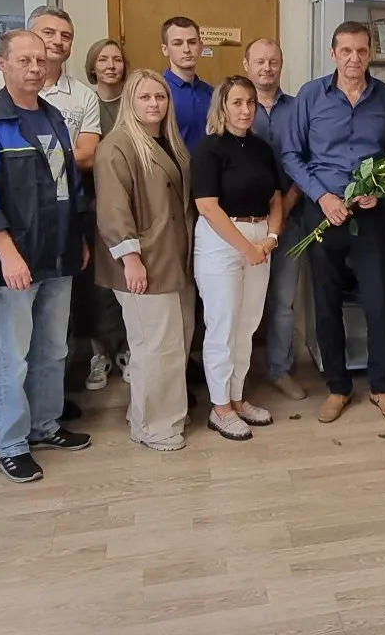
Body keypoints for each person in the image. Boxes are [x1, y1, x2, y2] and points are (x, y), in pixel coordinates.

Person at [0, 30, 94, 484]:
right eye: (25, 60)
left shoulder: (53, 116)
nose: (36, 68)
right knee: (12, 355)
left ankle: (45, 425)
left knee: (53, 348)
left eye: (40, 60)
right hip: (16, 257)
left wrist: (78, 237)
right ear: (1, 64)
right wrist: (6, 252)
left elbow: (71, 186)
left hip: (60, 250)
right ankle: (12, 444)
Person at [281, 21, 385, 423]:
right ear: (333, 54)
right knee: (326, 304)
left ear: (371, 54)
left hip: (369, 217)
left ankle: (382, 388)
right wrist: (323, 196)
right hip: (323, 213)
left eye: (362, 51)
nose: (354, 58)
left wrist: (382, 189)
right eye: (346, 51)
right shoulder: (310, 96)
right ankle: (338, 388)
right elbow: (291, 155)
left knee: (379, 303)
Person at [94, 70, 197, 451]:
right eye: (145, 97)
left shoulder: (169, 141)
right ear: (130, 102)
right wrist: (131, 259)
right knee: (154, 347)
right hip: (143, 262)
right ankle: (152, 426)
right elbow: (113, 209)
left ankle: (158, 412)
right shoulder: (117, 145)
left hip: (174, 258)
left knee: (175, 341)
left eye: (160, 97)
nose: (154, 104)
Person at [192, 75, 290, 440]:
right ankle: (219, 407)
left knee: (248, 324)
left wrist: (271, 238)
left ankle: (236, 397)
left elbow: (276, 199)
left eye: (250, 102)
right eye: (237, 102)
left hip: (260, 237)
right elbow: (207, 206)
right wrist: (246, 248)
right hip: (221, 241)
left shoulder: (262, 149)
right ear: (222, 106)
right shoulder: (209, 149)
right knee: (223, 326)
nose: (246, 109)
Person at [243, 37, 308, 401]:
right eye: (260, 61)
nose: (267, 68)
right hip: (243, 225)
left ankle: (279, 370)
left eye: (273, 61)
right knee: (239, 304)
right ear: (246, 64)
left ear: (281, 65)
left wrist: (284, 212)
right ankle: (235, 377)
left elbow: (309, 162)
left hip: (291, 221)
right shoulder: (234, 106)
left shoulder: (299, 108)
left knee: (283, 303)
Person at [0, 7, 101, 169]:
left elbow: (87, 156)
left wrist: (36, 164)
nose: (58, 41)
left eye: (66, 36)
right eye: (49, 33)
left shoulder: (83, 96)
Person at [74, 38, 130, 391]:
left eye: (117, 59)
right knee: (95, 286)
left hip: (129, 206)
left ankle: (127, 350)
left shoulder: (134, 103)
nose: (111, 66)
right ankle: (100, 354)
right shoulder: (85, 102)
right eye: (103, 60)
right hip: (92, 206)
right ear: (92, 66)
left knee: (128, 280)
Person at [160, 16, 215, 151]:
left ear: (200, 46)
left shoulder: (211, 93)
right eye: (177, 43)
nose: (186, 49)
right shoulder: (159, 92)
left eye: (192, 42)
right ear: (165, 49)